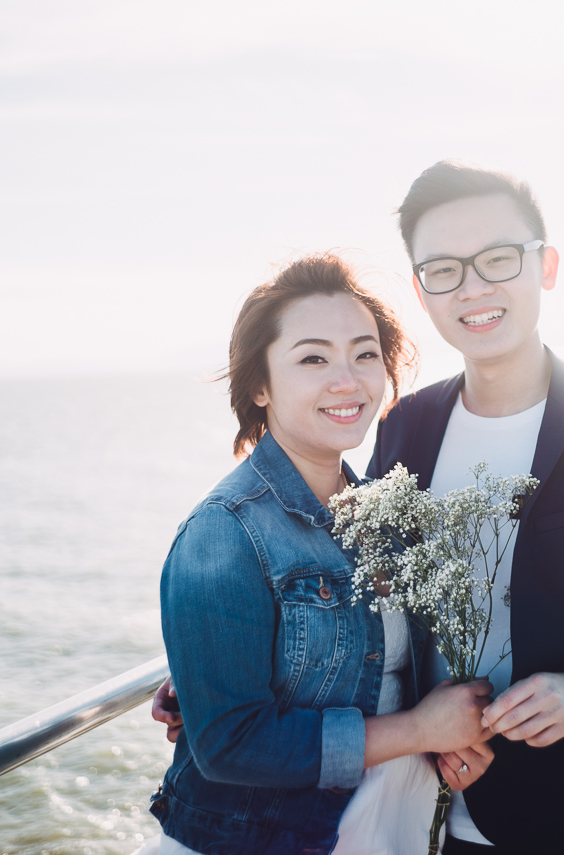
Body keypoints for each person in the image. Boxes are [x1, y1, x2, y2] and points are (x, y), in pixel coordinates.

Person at [157, 162, 564, 854]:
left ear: (545, 267)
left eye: (497, 258)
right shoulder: (404, 426)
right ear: (421, 291)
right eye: (444, 269)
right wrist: (220, 661)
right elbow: (362, 586)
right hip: (414, 799)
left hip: (559, 812)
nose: (474, 286)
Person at [147, 253, 495, 855]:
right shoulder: (224, 532)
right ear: (259, 384)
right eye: (313, 358)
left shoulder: (382, 514)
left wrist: (450, 741)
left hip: (391, 833)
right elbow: (229, 745)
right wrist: (419, 729)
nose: (348, 380)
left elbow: (384, 673)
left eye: (365, 354)